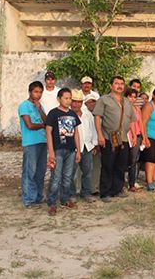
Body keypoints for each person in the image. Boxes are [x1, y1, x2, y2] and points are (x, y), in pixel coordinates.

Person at [92, 76, 136, 202]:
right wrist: (99, 134)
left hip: (123, 139)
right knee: (107, 165)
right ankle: (105, 192)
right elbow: (97, 117)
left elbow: (132, 120)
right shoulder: (104, 100)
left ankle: (117, 189)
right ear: (111, 85)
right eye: (116, 83)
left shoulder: (127, 102)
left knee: (121, 165)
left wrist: (133, 135)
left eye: (122, 83)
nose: (119, 86)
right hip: (108, 138)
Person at [45, 88, 81, 216]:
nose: (68, 100)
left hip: (71, 150)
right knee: (56, 177)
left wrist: (78, 150)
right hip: (58, 150)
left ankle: (65, 199)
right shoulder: (53, 113)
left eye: (70, 98)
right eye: (66, 98)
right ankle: (52, 203)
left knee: (67, 177)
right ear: (59, 99)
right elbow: (48, 132)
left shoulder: (72, 114)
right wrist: (51, 151)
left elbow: (76, 133)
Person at [18, 81, 48, 208]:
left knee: (40, 171)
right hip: (31, 142)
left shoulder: (40, 106)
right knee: (29, 171)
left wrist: (39, 108)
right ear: (30, 92)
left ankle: (38, 196)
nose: (38, 94)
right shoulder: (24, 106)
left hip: (42, 141)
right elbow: (29, 125)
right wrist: (42, 125)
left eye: (40, 92)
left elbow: (47, 120)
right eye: (36, 91)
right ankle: (28, 199)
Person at [69, 90, 97, 203]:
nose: (76, 104)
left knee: (87, 171)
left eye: (79, 102)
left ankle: (86, 193)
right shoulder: (68, 115)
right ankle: (71, 194)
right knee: (71, 172)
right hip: (74, 147)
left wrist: (94, 144)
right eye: (74, 101)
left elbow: (93, 129)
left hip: (87, 146)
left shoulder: (87, 114)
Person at [125, 88, 143, 192]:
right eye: (130, 96)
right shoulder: (124, 108)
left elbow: (140, 123)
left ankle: (132, 183)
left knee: (134, 160)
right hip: (127, 136)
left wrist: (143, 136)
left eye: (134, 97)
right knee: (125, 160)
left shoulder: (137, 109)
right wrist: (133, 136)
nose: (132, 99)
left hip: (137, 135)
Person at [84, 94, 101, 195]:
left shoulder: (98, 114)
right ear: (85, 103)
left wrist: (97, 144)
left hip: (97, 144)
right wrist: (93, 144)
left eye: (94, 101)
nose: (92, 104)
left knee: (96, 166)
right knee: (84, 168)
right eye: (89, 102)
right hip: (87, 144)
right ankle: (80, 188)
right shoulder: (84, 115)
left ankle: (94, 187)